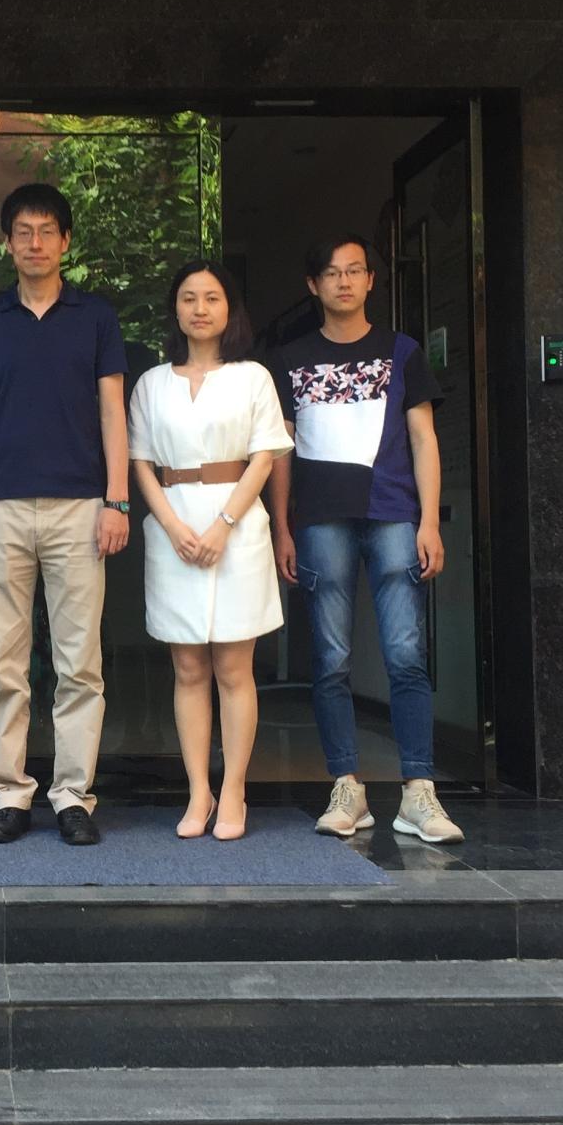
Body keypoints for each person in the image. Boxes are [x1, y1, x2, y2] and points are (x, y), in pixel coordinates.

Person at [267, 233, 464, 845]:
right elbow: (279, 450)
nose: (345, 281)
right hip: (319, 518)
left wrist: (429, 520)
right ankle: (346, 787)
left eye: (355, 271)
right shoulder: (290, 359)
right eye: (332, 273)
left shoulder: (402, 352)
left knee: (406, 654)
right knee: (330, 661)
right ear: (313, 285)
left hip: (394, 514)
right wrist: (280, 525)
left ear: (371, 281)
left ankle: (418, 792)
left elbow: (424, 439)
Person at [0, 182, 129, 847]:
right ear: (7, 243)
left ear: (65, 241)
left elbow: (113, 412)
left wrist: (116, 499)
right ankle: (9, 793)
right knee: (5, 663)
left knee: (80, 663)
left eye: (47, 231)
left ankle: (73, 795)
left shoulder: (95, 317)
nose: (35, 242)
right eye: (23, 231)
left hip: (80, 507)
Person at [127, 261, 292, 841]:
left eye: (212, 298)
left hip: (237, 528)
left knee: (233, 667)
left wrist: (223, 524)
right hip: (173, 528)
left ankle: (235, 788)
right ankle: (198, 789)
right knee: (189, 667)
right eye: (189, 298)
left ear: (230, 309)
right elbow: (141, 462)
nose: (200, 308)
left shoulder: (252, 377)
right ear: (175, 309)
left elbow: (264, 458)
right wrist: (172, 526)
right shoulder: (151, 383)